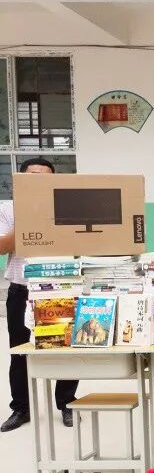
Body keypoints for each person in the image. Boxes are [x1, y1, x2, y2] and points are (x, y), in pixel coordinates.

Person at [0, 158, 79, 432]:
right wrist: (28, 216)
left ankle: (67, 403)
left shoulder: (65, 208)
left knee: (66, 348)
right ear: (20, 180)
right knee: (20, 351)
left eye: (45, 178)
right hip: (21, 289)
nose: (39, 183)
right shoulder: (6, 209)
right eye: (32, 177)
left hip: (59, 287)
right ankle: (21, 408)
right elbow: (2, 247)